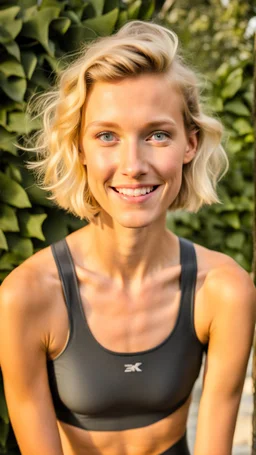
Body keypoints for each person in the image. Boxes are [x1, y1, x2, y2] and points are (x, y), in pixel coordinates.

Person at [0, 20, 255, 455]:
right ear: (80, 147)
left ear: (190, 145)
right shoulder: (28, 295)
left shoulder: (225, 290)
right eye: (106, 136)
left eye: (158, 135)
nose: (133, 164)